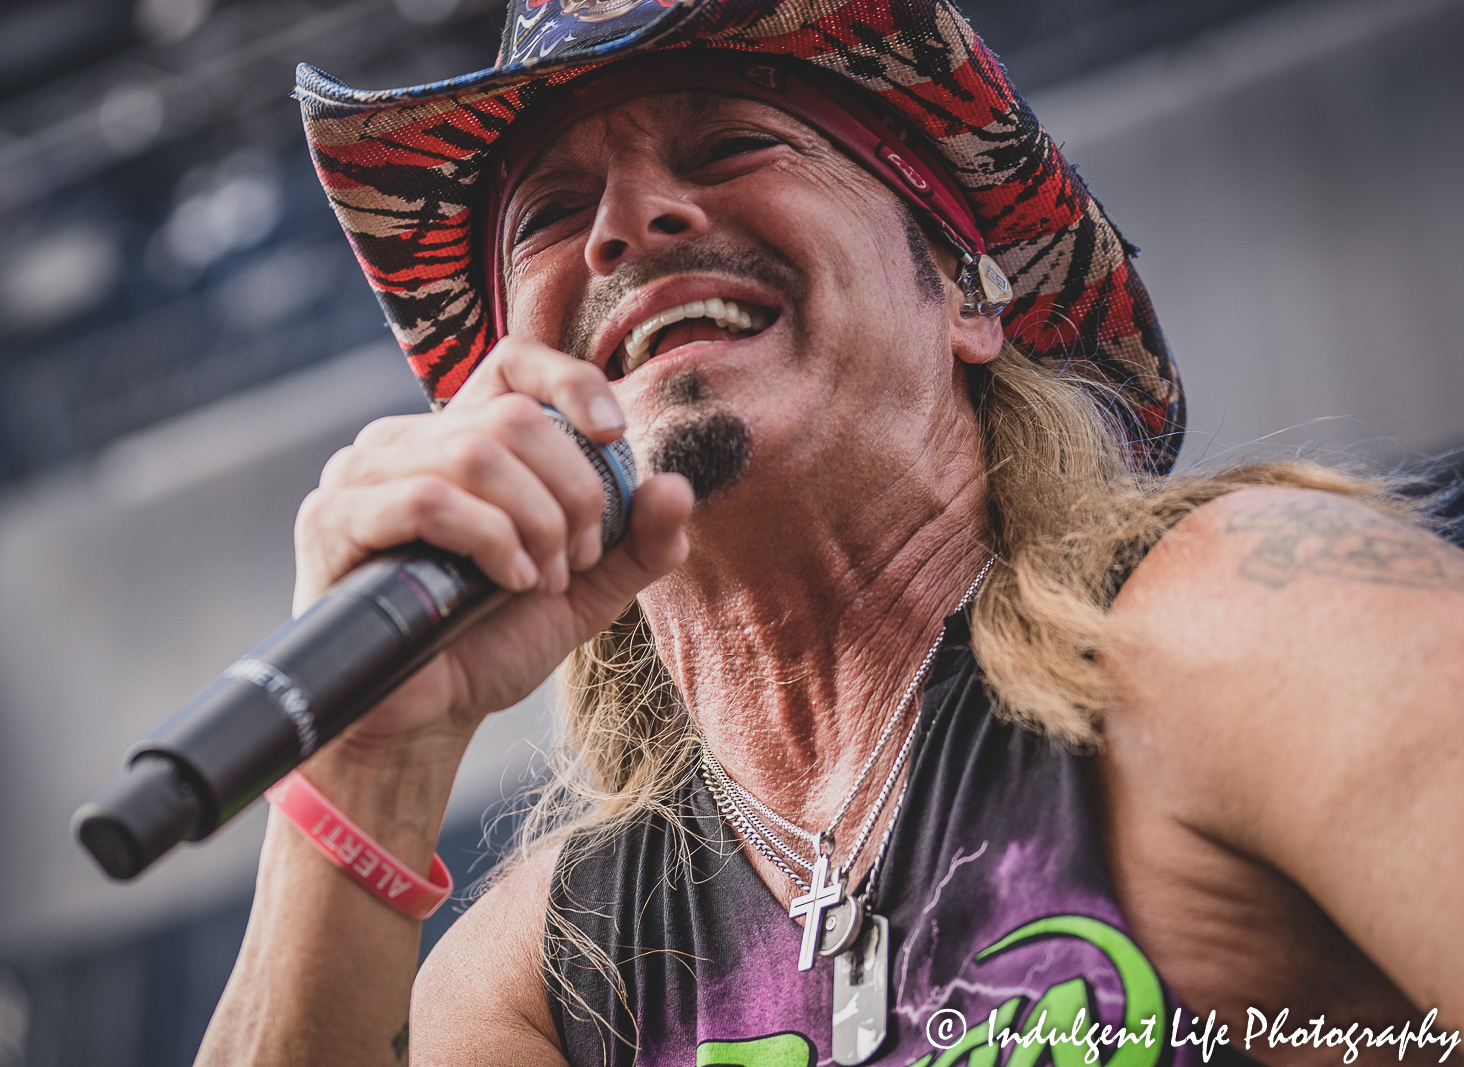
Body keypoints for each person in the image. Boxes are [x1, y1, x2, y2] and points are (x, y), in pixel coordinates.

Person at [197, 2, 1464, 1064]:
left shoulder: (1244, 623)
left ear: (963, 287)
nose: (629, 223)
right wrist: (365, 759)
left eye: (730, 141)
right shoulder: (546, 979)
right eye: (550, 213)